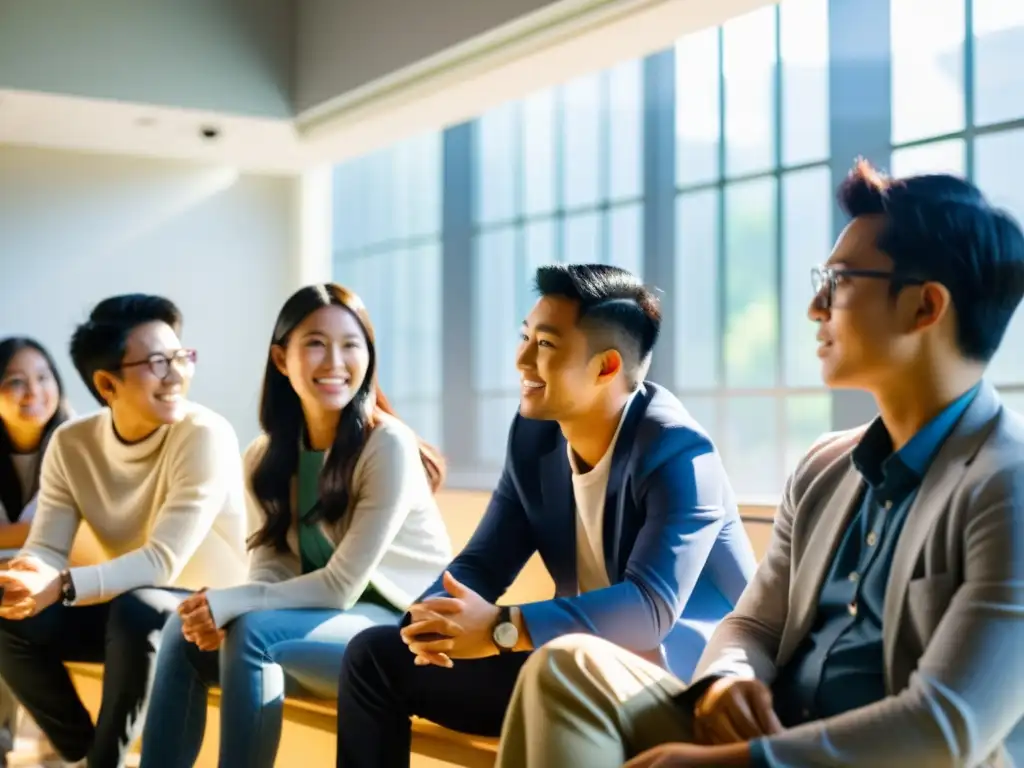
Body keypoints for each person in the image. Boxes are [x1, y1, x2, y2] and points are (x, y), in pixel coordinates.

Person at [494, 161, 1024, 768]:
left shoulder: (1006, 484)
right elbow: (753, 628)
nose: (815, 307)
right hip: (773, 727)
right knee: (568, 667)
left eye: (840, 280)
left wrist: (741, 762)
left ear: (925, 307)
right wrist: (727, 679)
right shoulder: (825, 467)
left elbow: (944, 728)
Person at [335, 263, 758, 767]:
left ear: (604, 368)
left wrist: (500, 628)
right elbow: (484, 563)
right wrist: (430, 622)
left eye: (546, 345)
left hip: (677, 686)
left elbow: (649, 611)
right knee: (374, 657)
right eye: (524, 337)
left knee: (552, 672)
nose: (521, 360)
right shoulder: (536, 437)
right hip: (567, 670)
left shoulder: (680, 453)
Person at [139, 283, 452, 768]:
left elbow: (342, 587)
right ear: (281, 359)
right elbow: (269, 568)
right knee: (182, 633)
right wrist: (222, 610)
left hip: (400, 632)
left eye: (352, 344)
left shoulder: (386, 445)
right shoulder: (264, 455)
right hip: (317, 625)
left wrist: (232, 604)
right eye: (315, 343)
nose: (335, 361)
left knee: (253, 633)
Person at [0, 294, 248, 768]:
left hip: (216, 613)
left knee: (136, 607)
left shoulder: (205, 434)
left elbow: (162, 562)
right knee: (9, 613)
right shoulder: (72, 443)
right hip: (139, 613)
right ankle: (87, 753)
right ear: (106, 383)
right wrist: (28, 576)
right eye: (157, 362)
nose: (176, 375)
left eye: (180, 357)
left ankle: (104, 762)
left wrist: (64, 584)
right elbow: (48, 546)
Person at [0, 338, 72, 762]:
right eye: (15, 381)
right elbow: (45, 528)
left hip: (62, 578)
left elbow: (76, 534)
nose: (34, 392)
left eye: (44, 377)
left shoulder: (78, 440)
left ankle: (57, 745)